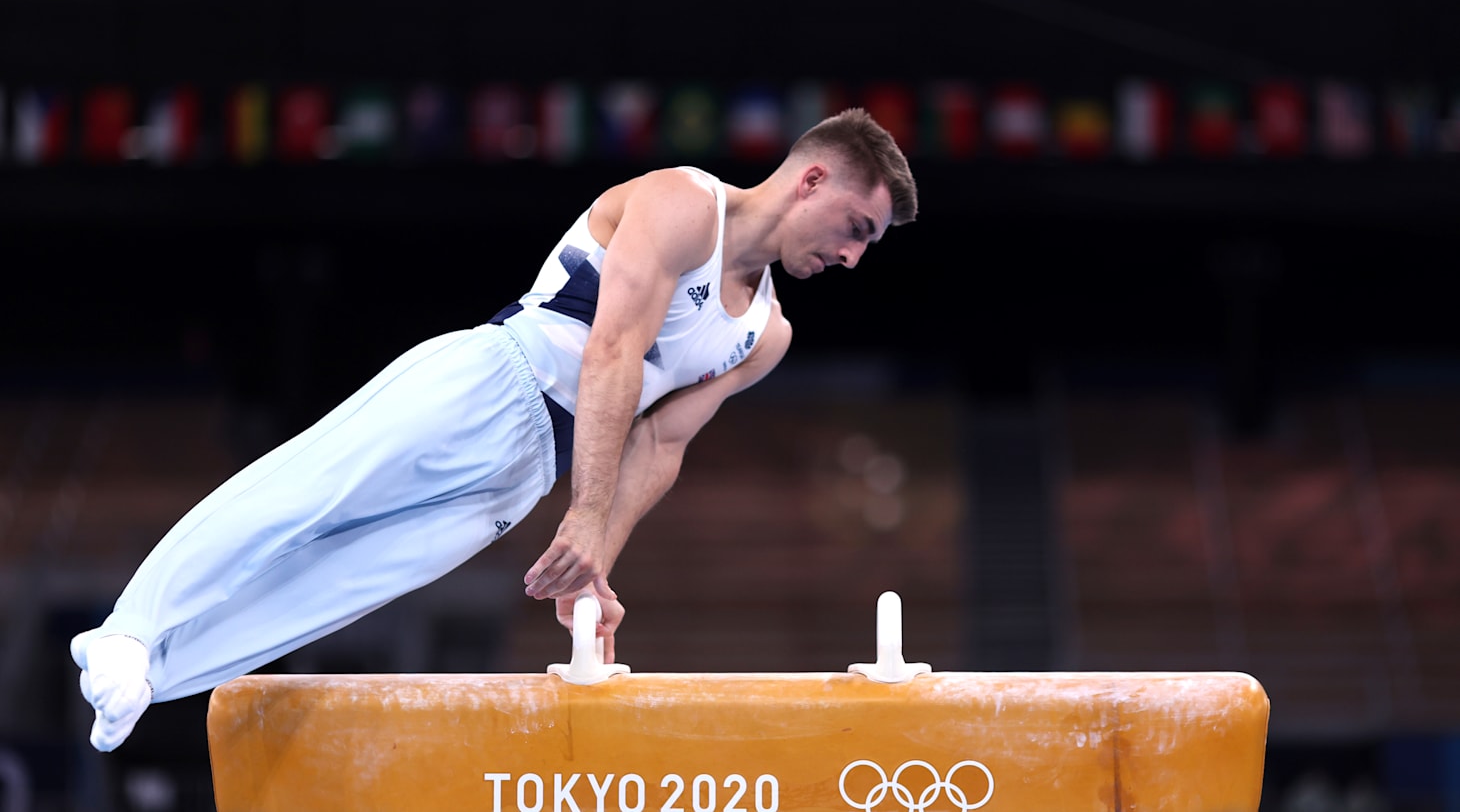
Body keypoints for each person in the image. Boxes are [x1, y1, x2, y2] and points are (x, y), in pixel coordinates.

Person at [69, 107, 918, 752]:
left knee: (341, 585)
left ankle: (155, 677)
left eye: (868, 245)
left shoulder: (766, 335)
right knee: (305, 496)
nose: (853, 257)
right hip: (491, 380)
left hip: (525, 476)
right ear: (811, 180)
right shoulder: (685, 203)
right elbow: (613, 350)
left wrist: (593, 561)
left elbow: (659, 442)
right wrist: (586, 512)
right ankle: (129, 629)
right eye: (857, 228)